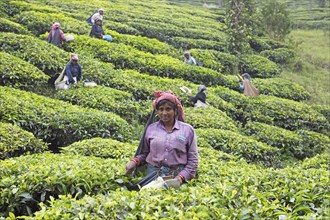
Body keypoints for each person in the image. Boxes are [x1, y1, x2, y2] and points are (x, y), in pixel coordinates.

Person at [125, 90, 199, 187]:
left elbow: (193, 161)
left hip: (176, 176)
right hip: (153, 175)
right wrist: (134, 161)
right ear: (157, 111)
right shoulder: (151, 129)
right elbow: (144, 153)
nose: (164, 113)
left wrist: (181, 177)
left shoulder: (187, 130)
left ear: (175, 111)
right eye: (161, 109)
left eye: (168, 109)